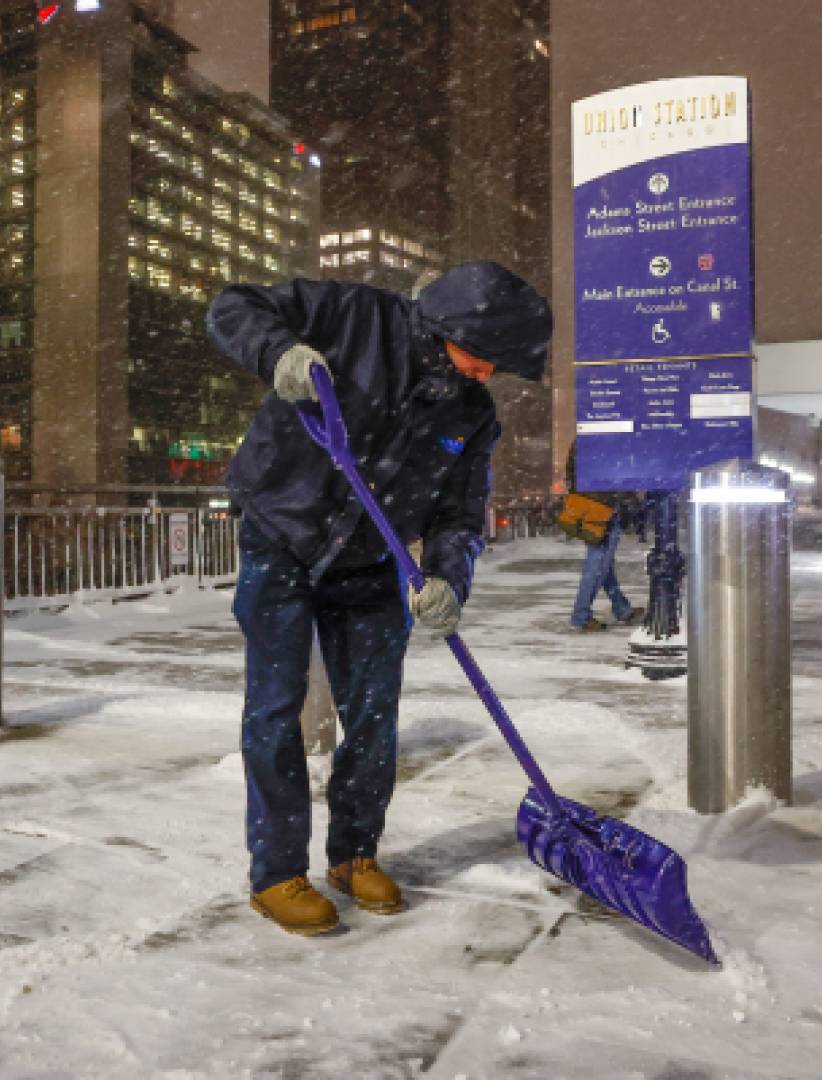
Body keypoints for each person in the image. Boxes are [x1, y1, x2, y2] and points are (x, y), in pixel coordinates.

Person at [207, 262, 551, 936]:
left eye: (499, 365)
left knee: (374, 712)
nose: (488, 373)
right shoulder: (352, 317)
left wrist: (451, 575)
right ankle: (277, 871)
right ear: (449, 327)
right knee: (276, 705)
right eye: (483, 356)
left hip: (373, 558)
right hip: (282, 529)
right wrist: (280, 352)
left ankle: (354, 855)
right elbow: (232, 306)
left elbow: (460, 509)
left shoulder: (471, 415)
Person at [562, 444, 643, 632]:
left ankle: (621, 608)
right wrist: (631, 500)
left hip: (592, 506)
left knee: (604, 565)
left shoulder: (584, 437)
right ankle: (581, 615)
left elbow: (572, 471)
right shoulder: (609, 437)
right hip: (604, 509)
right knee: (597, 563)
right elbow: (617, 474)